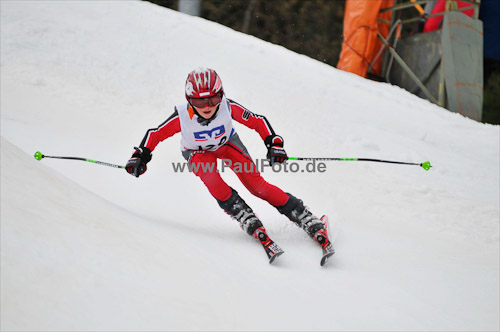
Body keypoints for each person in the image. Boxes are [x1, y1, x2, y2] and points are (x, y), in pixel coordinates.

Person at [126, 67, 333, 263]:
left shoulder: (227, 106)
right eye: (199, 102)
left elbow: (258, 122)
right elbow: (156, 134)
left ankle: (303, 215)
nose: (207, 106)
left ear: (221, 95)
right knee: (213, 180)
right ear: (189, 100)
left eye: (213, 99)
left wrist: (274, 144)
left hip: (227, 146)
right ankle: (241, 212)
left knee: (257, 186)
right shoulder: (182, 116)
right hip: (198, 153)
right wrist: (140, 156)